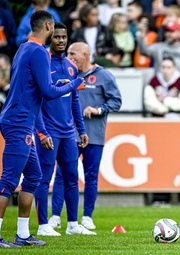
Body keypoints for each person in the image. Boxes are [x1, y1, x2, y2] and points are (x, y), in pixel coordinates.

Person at [0, 10, 84, 247]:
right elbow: (47, 93)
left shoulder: (24, 48)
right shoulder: (39, 51)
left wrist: (59, 83)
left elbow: (39, 85)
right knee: (8, 180)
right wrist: (75, 84)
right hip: (20, 121)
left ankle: (23, 235)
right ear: (48, 26)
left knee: (35, 176)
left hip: (20, 119)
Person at [48, 42, 122, 230]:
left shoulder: (103, 76)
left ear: (86, 55)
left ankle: (87, 216)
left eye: (73, 53)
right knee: (61, 175)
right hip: (68, 134)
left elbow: (116, 101)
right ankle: (55, 215)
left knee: (91, 176)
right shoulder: (66, 73)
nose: (69, 56)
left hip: (94, 135)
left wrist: (98, 109)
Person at [34, 22, 96, 236]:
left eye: (64, 37)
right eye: (56, 37)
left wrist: (81, 129)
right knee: (44, 179)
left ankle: (72, 224)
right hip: (49, 132)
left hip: (69, 133)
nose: (60, 40)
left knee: (71, 178)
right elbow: (37, 101)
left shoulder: (71, 66)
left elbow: (74, 99)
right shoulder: (42, 62)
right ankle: (43, 225)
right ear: (49, 37)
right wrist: (41, 132)